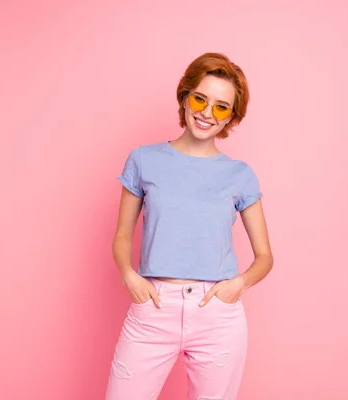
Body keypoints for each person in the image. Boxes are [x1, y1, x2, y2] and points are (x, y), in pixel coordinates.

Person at [104, 52, 274, 400]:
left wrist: (236, 286)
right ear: (184, 98)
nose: (207, 113)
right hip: (153, 307)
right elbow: (122, 235)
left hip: (216, 314)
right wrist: (129, 275)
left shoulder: (239, 175)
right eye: (200, 99)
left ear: (231, 118)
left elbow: (264, 256)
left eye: (221, 107)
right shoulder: (143, 160)